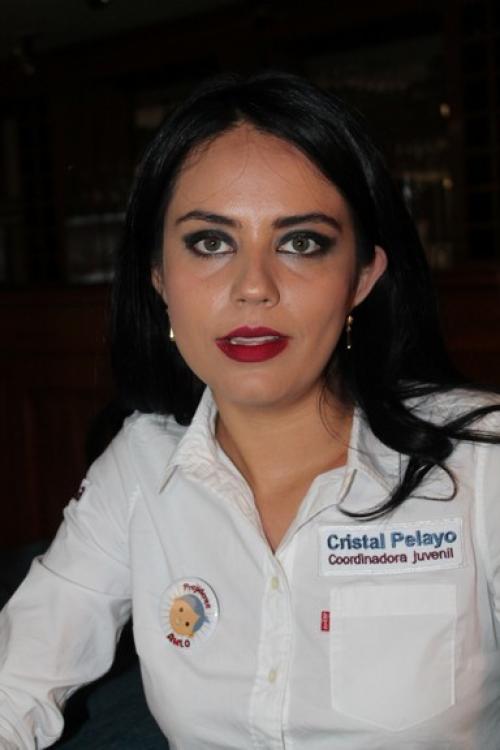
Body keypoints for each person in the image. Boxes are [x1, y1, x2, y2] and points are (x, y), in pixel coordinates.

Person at [1, 70, 500, 750]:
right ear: (158, 277)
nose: (254, 287)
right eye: (211, 242)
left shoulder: (480, 461)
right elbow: (17, 682)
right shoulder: (140, 465)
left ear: (361, 277)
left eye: (301, 242)